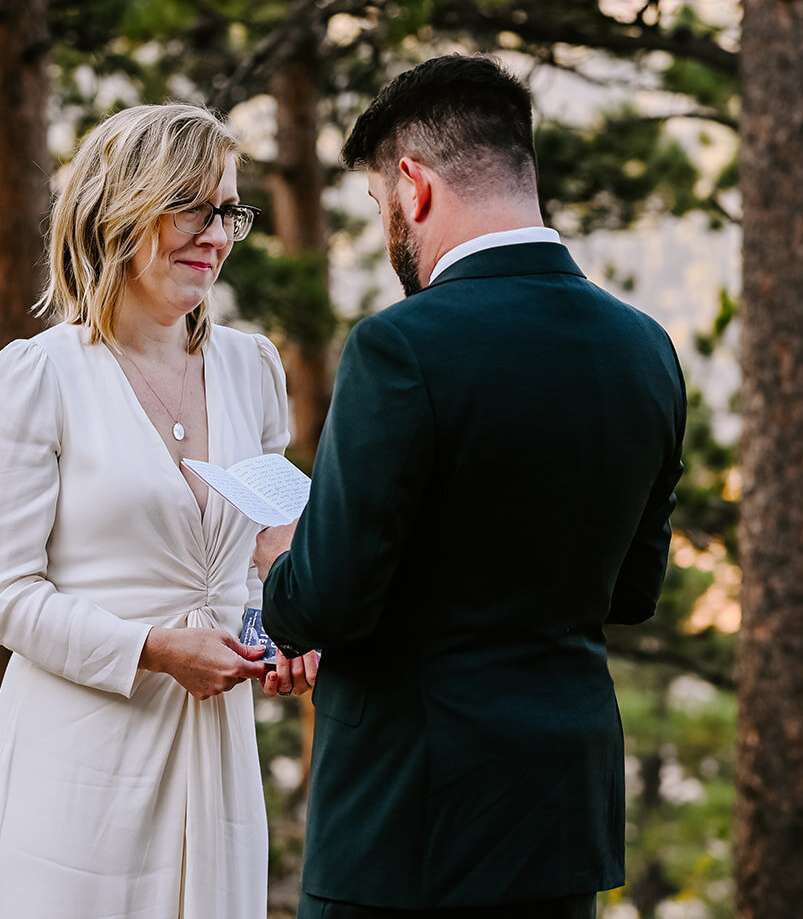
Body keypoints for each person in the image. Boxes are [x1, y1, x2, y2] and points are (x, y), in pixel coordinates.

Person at [254, 55, 687, 919]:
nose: (390, 234)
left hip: (409, 824)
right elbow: (633, 592)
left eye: (382, 207)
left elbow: (323, 604)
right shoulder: (646, 349)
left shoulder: (401, 348)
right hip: (561, 814)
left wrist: (284, 555)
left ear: (413, 186)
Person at [0, 102, 316, 919]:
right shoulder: (37, 377)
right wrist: (153, 649)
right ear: (118, 209)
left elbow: (272, 535)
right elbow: (1, 592)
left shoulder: (252, 366)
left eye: (229, 211)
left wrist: (296, 621)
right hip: (82, 758)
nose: (217, 235)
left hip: (215, 753)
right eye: (191, 207)